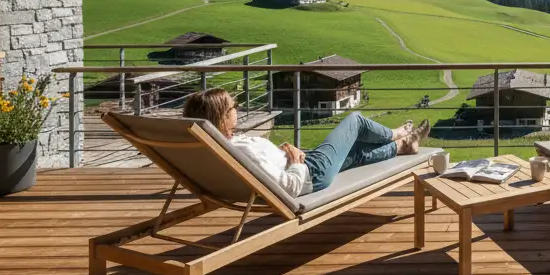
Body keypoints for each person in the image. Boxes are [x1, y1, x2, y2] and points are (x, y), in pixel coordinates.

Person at [182, 88, 430, 196]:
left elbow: (266, 168)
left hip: (304, 165)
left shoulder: (219, 146)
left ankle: (403, 146)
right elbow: (289, 186)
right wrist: (296, 160)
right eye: (233, 107)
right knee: (355, 121)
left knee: (354, 151)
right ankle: (397, 133)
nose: (237, 108)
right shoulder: (240, 151)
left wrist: (285, 153)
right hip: (311, 172)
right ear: (222, 118)